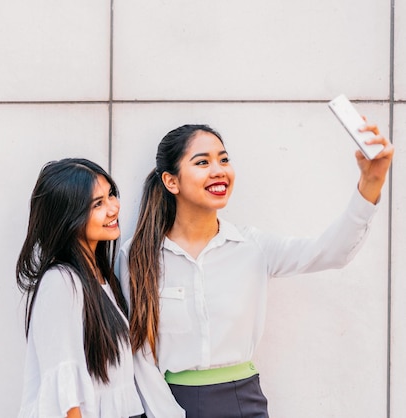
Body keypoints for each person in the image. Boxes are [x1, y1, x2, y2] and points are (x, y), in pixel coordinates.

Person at [117, 123, 394, 418]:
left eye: (224, 159)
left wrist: (371, 182)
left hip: (242, 402)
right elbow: (138, 356)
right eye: (202, 162)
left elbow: (331, 252)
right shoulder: (138, 254)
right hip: (170, 403)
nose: (219, 170)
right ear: (172, 181)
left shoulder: (252, 247)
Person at [16, 158, 144, 418]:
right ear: (68, 218)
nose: (113, 208)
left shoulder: (102, 279)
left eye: (110, 195)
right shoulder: (61, 281)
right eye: (97, 204)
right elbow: (65, 398)